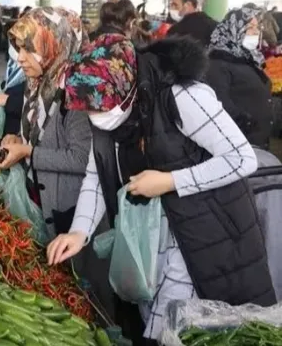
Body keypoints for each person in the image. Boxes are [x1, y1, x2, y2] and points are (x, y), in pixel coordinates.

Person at [51, 33, 276, 344]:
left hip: (209, 237)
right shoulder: (106, 104)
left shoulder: (182, 97)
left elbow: (242, 159)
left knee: (204, 332)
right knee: (163, 328)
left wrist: (170, 181)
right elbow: (95, 172)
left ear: (126, 86)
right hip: (157, 240)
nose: (95, 117)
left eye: (99, 108)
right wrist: (79, 231)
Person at [0, 6, 92, 243]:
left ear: (54, 45)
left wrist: (28, 152)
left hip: (68, 214)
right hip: (40, 199)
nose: (20, 57)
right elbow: (34, 135)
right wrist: (18, 140)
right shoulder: (37, 84)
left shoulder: (76, 94)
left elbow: (82, 159)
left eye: (29, 49)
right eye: (19, 49)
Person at [205, 6, 273, 150]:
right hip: (238, 144)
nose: (256, 32)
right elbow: (220, 102)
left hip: (257, 142)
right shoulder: (218, 62)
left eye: (257, 27)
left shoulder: (248, 59)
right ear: (234, 29)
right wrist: (247, 124)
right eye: (250, 27)